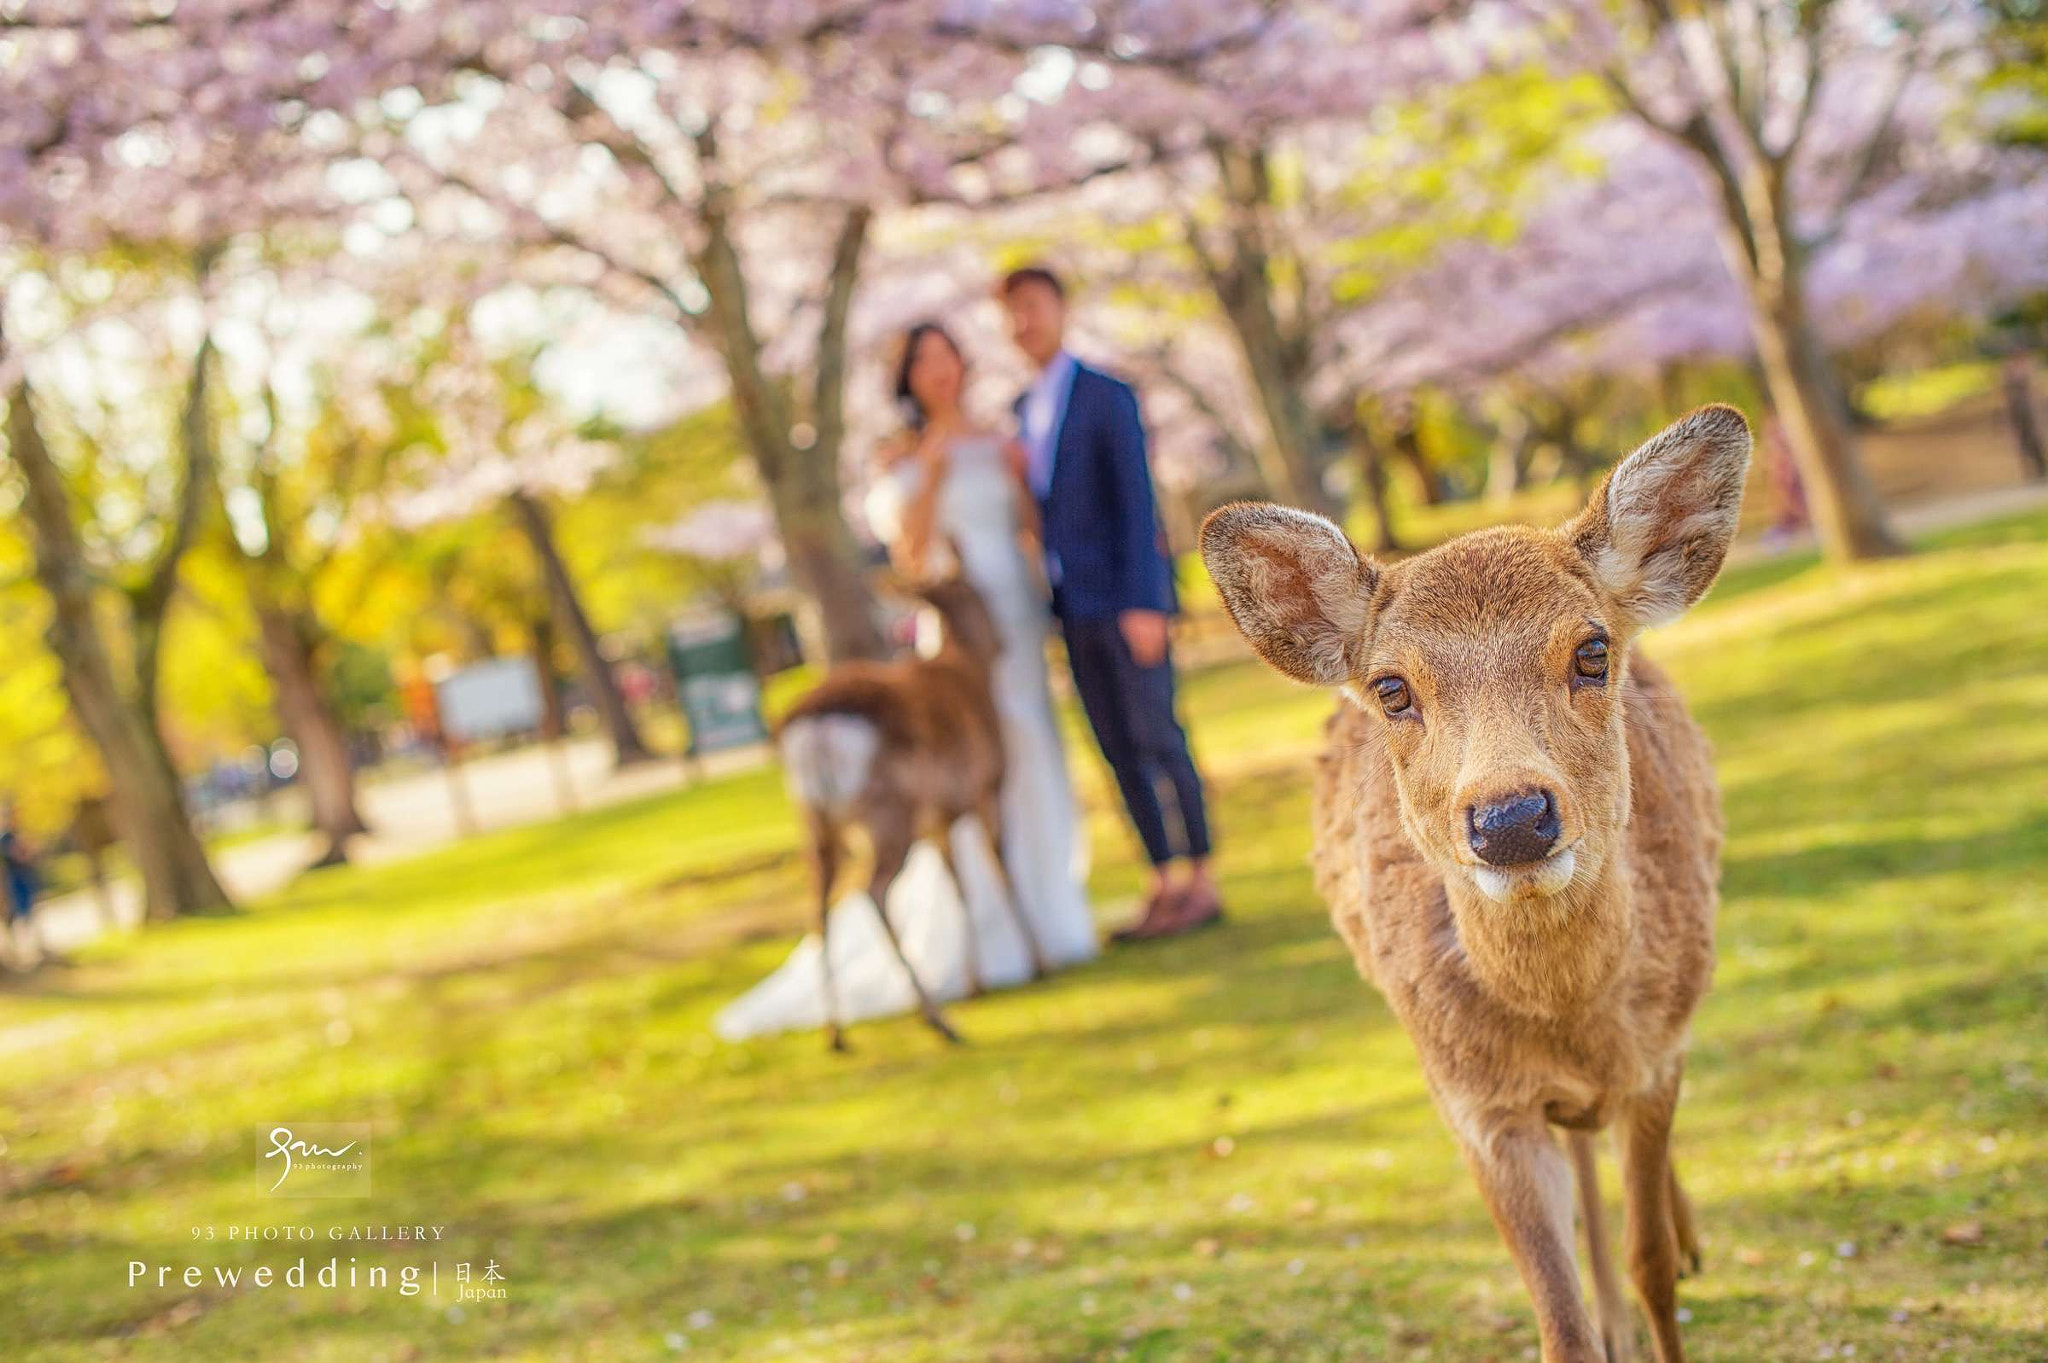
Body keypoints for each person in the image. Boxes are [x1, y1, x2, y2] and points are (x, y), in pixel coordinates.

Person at [715, 322, 1097, 1040]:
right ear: (908, 377)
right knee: (956, 781)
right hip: (952, 628)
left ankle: (1054, 919)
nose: (939, 370)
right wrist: (938, 472)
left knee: (1031, 766)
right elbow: (910, 553)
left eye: (948, 354)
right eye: (922, 360)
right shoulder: (903, 457)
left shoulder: (1002, 435)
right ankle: (983, 941)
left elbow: (1029, 529)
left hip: (1010, 615)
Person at [1001, 264, 1222, 940]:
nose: (1023, 322)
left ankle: (1203, 879)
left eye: (1033, 306)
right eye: (1011, 312)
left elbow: (1136, 504)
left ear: (1061, 309)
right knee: (1115, 747)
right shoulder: (1020, 412)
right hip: (1072, 609)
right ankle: (1160, 877)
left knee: (1159, 734)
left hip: (1127, 602)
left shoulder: (1106, 394)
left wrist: (1148, 601)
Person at [3, 800, 43, 966]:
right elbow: (18, 855)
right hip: (14, 880)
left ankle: (33, 949)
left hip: (24, 877)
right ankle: (22, 953)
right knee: (20, 914)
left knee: (29, 912)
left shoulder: (15, 835)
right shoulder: (5, 838)